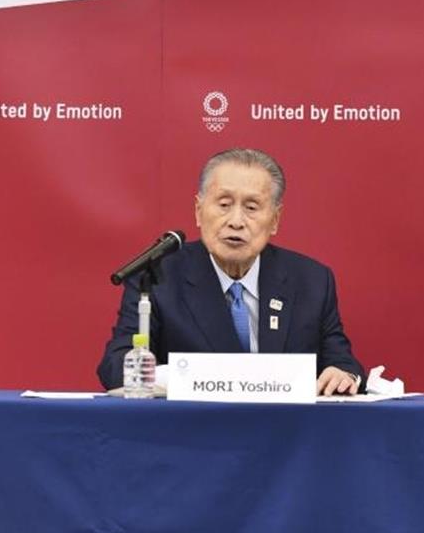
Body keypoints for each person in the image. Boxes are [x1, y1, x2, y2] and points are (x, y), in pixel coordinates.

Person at [96, 148, 364, 395]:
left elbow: (342, 362)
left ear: (275, 220)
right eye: (224, 205)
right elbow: (116, 367)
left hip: (285, 438)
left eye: (251, 207)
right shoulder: (158, 277)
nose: (236, 221)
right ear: (199, 211)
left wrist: (343, 374)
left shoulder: (311, 281)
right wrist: (182, 377)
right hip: (192, 437)